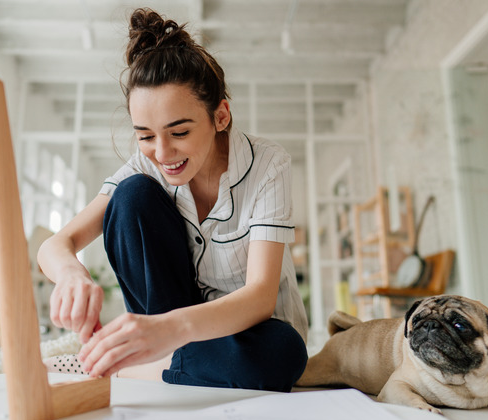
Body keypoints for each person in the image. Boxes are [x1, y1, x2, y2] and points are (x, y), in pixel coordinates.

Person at [37, 8, 308, 392]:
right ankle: (159, 361)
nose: (162, 153)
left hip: (247, 330)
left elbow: (260, 298)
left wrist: (169, 329)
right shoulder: (144, 168)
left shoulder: (268, 164)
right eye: (146, 136)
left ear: (221, 116)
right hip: (171, 327)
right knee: (130, 197)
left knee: (283, 354)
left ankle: (127, 365)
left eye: (179, 131)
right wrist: (70, 274)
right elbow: (55, 245)